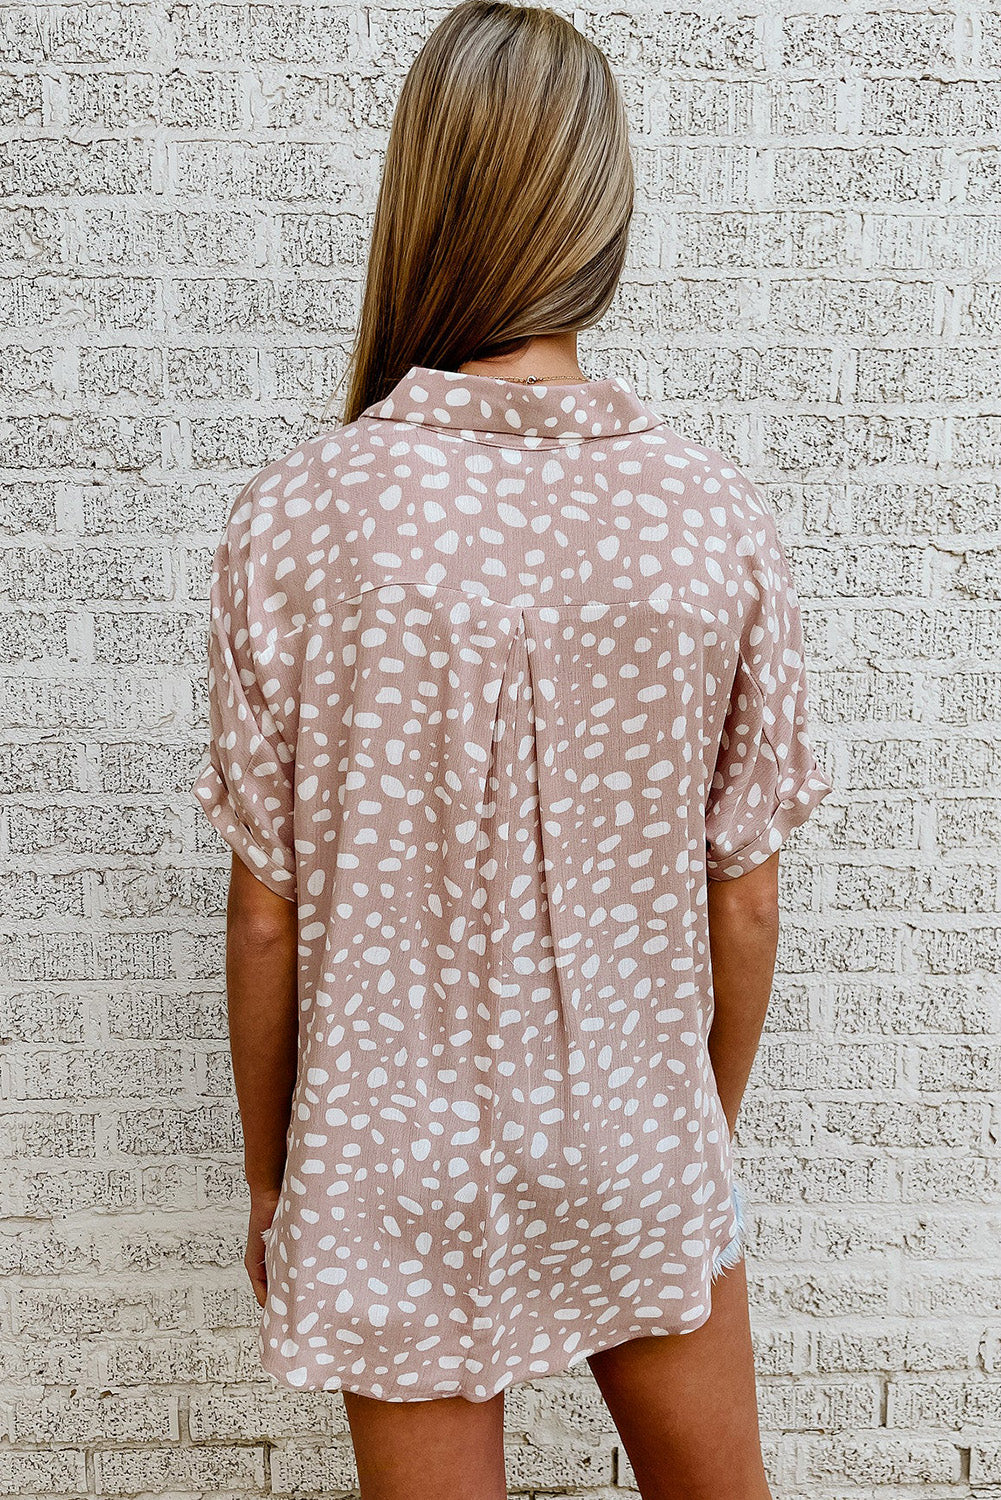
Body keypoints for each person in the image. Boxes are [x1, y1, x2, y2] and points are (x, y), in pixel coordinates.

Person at [190, 3, 834, 1497]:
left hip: (383, 1155)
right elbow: (742, 899)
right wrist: (697, 1136)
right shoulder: (708, 516)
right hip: (635, 1124)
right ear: (596, 218)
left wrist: (273, 1176)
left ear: (420, 205)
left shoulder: (298, 517)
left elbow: (265, 914)